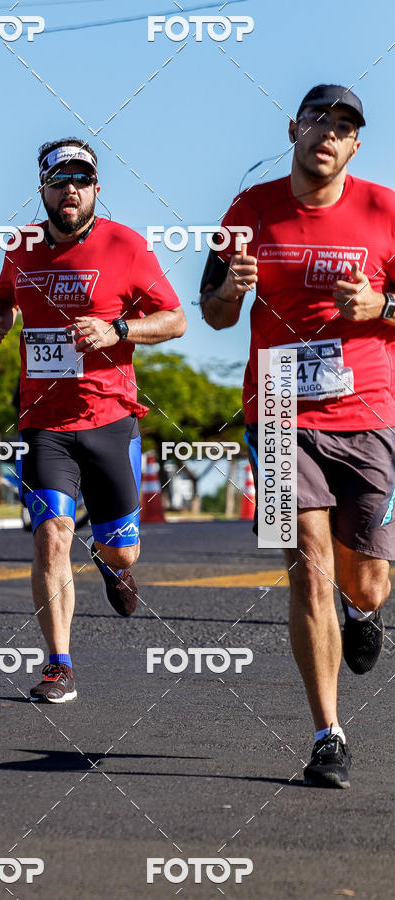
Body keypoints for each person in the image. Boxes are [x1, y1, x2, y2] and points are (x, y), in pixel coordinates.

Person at [200, 85, 395, 788]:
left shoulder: (385, 209)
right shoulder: (248, 212)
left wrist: (382, 304)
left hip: (368, 414)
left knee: (366, 580)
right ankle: (327, 734)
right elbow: (215, 313)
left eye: (344, 127)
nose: (328, 134)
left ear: (354, 146)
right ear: (294, 128)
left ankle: (362, 610)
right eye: (319, 119)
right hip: (279, 412)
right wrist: (232, 293)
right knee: (306, 566)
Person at [0, 137, 186, 703]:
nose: (70, 190)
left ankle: (111, 561)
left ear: (97, 189)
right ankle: (58, 664)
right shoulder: (20, 246)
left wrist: (119, 330)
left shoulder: (126, 245)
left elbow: (175, 320)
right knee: (51, 535)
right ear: (42, 190)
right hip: (44, 422)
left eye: (81, 180)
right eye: (59, 180)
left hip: (110, 419)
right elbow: (2, 297)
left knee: (123, 550)